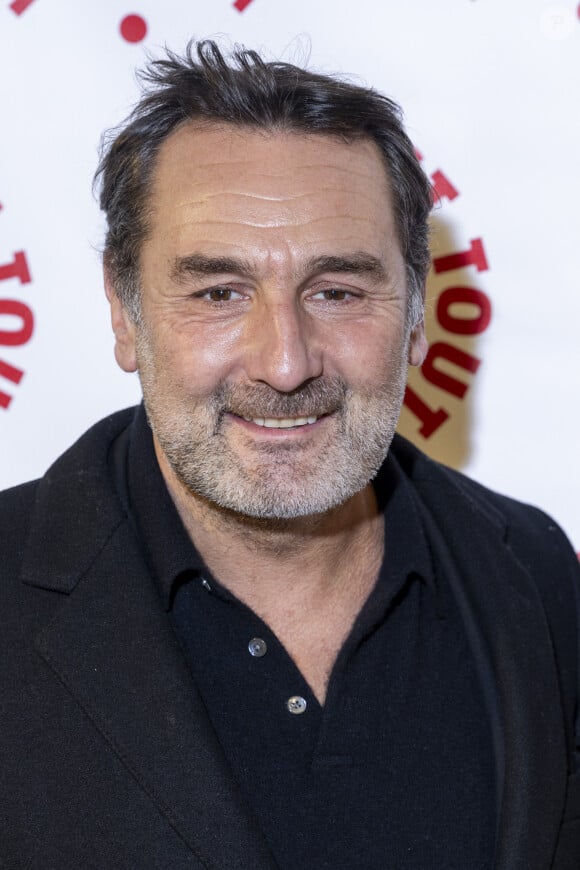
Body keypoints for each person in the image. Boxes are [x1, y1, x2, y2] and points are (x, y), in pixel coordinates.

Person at [1, 40, 579, 870]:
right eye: (219, 293)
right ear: (125, 315)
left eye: (338, 292)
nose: (286, 362)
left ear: (417, 316)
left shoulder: (535, 573)